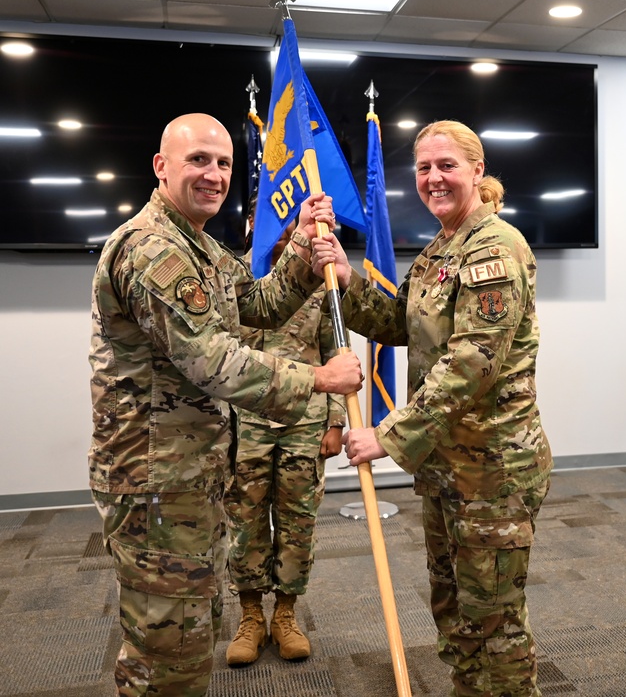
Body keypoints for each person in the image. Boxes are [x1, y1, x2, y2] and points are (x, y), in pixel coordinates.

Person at [88, 113, 363, 697]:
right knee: (166, 651)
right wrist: (319, 379)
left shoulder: (201, 248)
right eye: (197, 160)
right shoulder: (152, 251)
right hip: (154, 483)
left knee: (185, 633)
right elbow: (212, 361)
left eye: (222, 163)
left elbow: (257, 305)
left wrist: (303, 258)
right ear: (161, 167)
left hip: (186, 476)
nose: (213, 175)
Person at [312, 120, 552, 696]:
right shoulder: (440, 249)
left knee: (494, 621)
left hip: (493, 470)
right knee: (456, 609)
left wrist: (388, 434)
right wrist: (347, 279)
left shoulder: (495, 246)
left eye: (446, 165)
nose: (434, 178)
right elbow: (402, 325)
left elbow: (474, 361)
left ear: (476, 169)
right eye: (423, 168)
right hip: (450, 464)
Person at [224, 223, 347, 666]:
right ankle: (252, 615)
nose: (281, 237)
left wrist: (336, 421)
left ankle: (286, 615)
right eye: (273, 229)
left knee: (298, 522)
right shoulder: (235, 282)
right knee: (246, 520)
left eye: (289, 230)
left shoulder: (318, 282)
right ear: (252, 231)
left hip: (305, 420)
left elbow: (337, 353)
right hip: (247, 424)